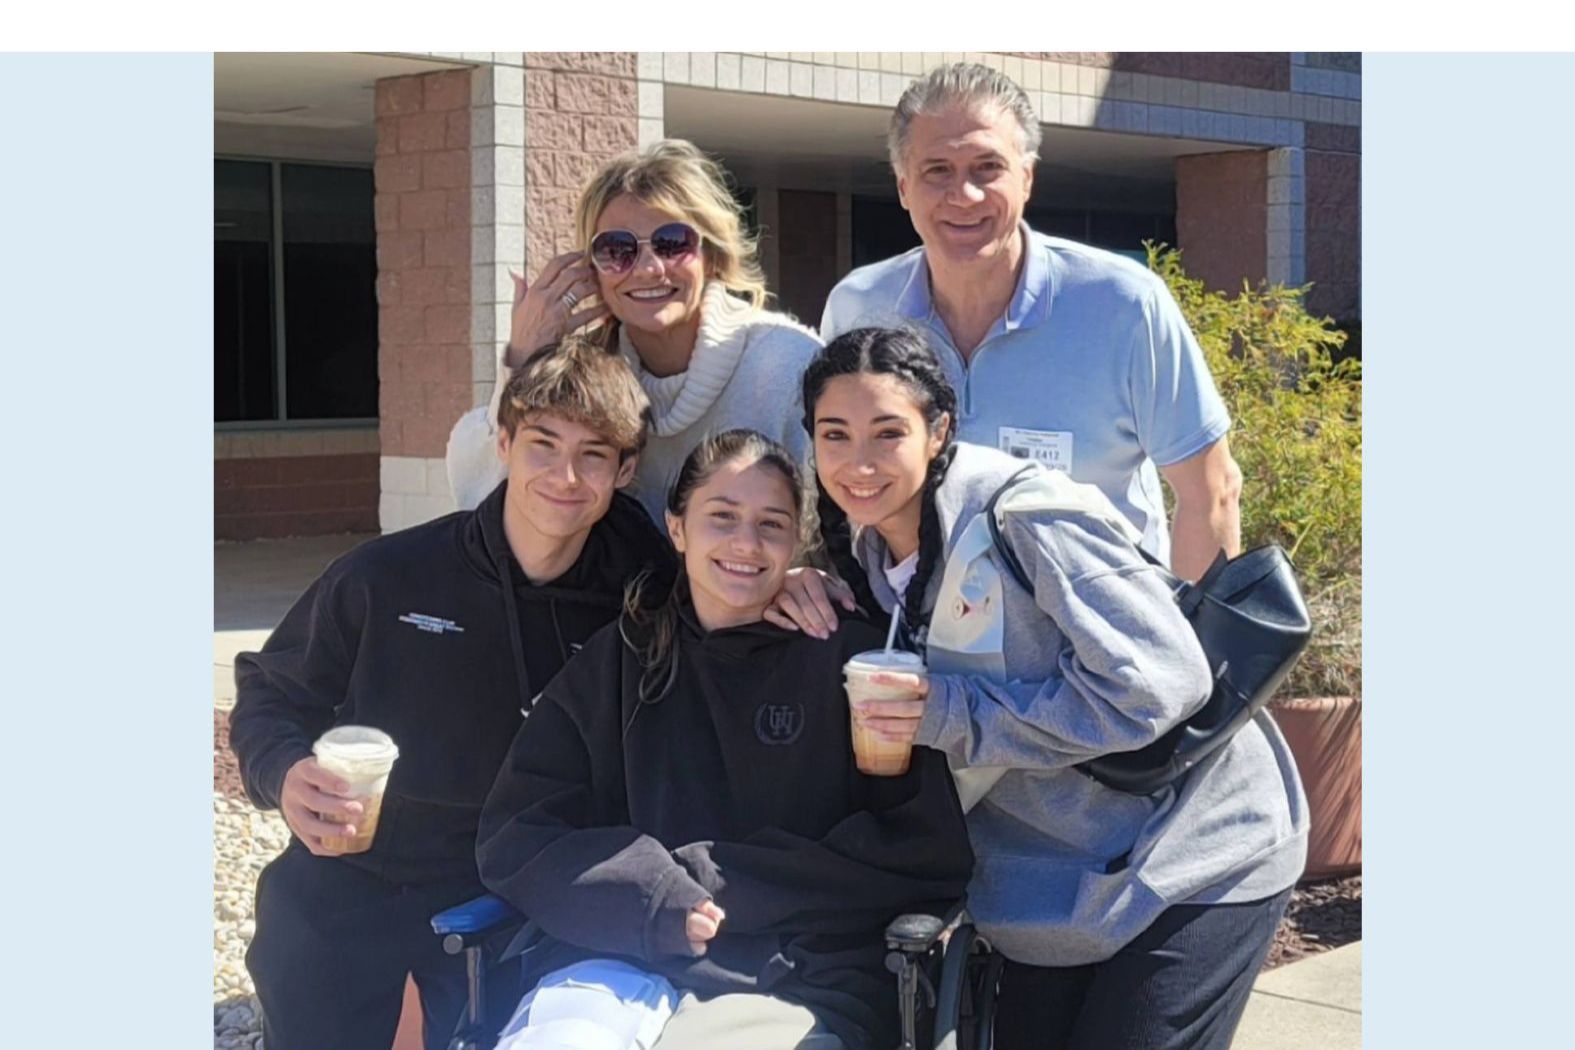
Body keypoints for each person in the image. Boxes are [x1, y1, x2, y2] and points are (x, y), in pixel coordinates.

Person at [801, 327, 1307, 1050]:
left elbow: (1161, 682)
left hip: (1193, 851)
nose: (858, 463)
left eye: (888, 433)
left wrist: (947, 714)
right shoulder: (870, 552)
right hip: (1046, 880)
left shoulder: (1024, 516)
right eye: (834, 435)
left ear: (938, 430)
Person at [230, 337, 674, 1050]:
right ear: (501, 442)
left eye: (593, 453)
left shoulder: (642, 594)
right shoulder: (388, 576)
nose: (565, 475)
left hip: (528, 880)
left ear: (623, 470)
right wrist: (283, 774)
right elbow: (270, 691)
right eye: (542, 444)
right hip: (359, 868)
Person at [476, 429, 973, 1050]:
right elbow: (517, 832)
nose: (746, 543)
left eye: (771, 524)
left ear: (798, 544)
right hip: (617, 959)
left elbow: (923, 852)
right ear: (677, 528)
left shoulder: (855, 671)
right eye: (722, 517)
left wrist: (718, 882)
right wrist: (650, 894)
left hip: (794, 976)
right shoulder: (620, 660)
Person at [820, 63, 1242, 585]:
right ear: (904, 186)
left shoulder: (1123, 305)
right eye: (937, 171)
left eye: (987, 167)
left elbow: (1210, 490)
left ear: (1027, 178)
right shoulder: (859, 307)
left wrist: (1192, 657)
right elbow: (836, 480)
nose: (964, 194)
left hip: (1098, 642)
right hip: (920, 641)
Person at [447, 139, 822, 524]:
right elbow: (482, 501)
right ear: (590, 267)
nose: (647, 268)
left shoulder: (789, 363)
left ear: (712, 255)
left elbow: (841, 526)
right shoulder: (588, 375)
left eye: (672, 243)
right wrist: (524, 362)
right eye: (617, 249)